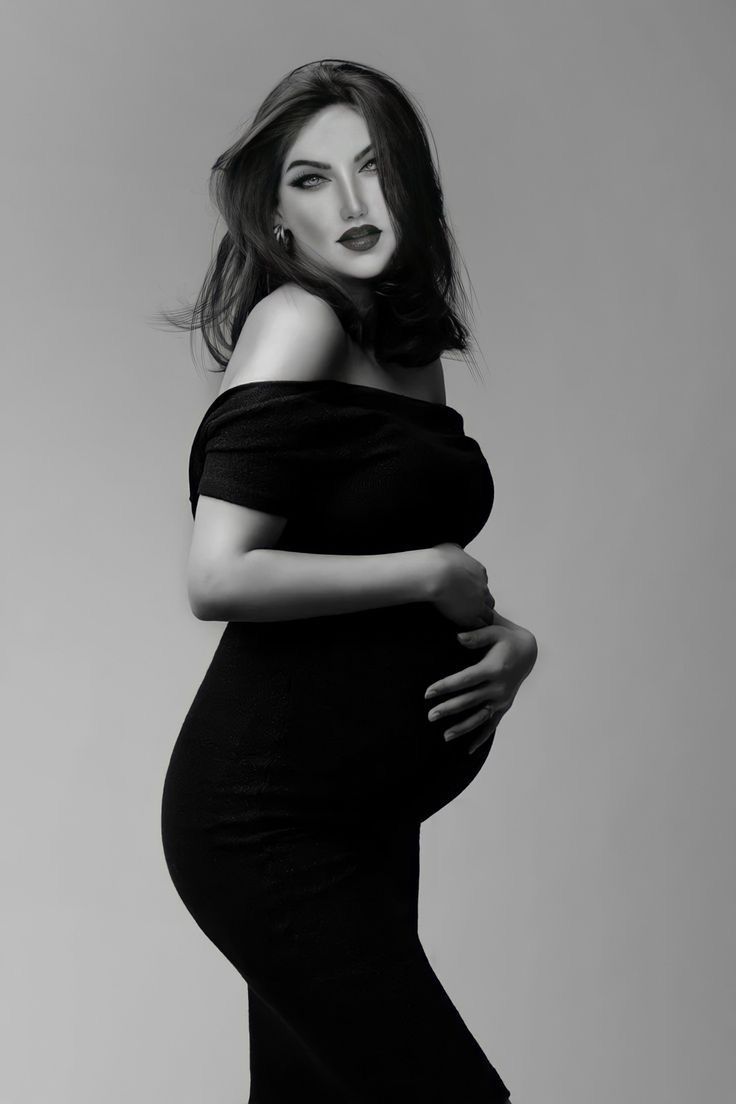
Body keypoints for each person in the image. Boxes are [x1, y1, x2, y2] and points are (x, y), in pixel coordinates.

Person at [160, 58, 537, 1103]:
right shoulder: (301, 320)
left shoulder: (406, 350)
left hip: (360, 817)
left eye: (373, 169)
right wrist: (432, 571)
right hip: (264, 818)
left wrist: (511, 640)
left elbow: (365, 551)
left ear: (412, 185)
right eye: (312, 179)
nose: (355, 203)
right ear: (276, 218)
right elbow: (218, 574)